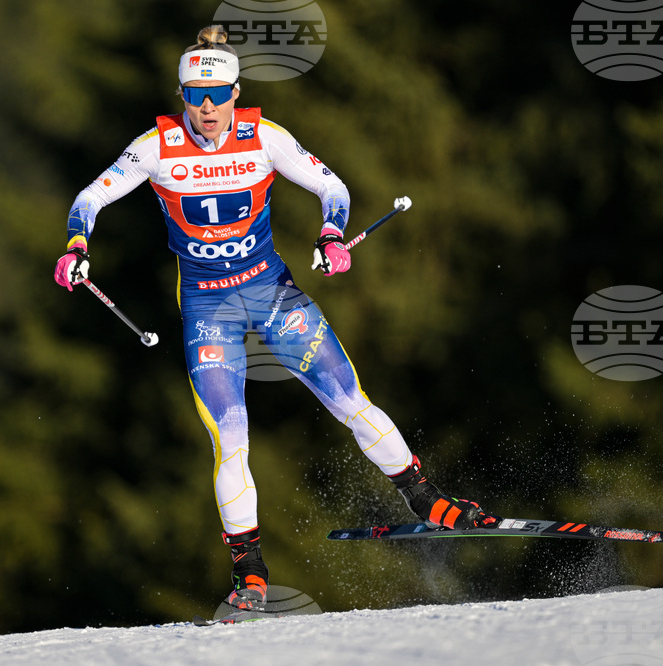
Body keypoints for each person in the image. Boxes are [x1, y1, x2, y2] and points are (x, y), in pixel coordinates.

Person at [55, 25, 498, 610]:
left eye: (218, 95)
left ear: (237, 92)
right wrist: (76, 246)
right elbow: (91, 197)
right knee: (231, 440)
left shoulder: (263, 137)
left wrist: (333, 234)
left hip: (272, 293)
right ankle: (250, 573)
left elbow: (330, 185)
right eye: (195, 95)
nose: (207, 108)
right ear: (181, 94)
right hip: (209, 308)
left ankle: (429, 502)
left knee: (349, 401)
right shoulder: (156, 148)